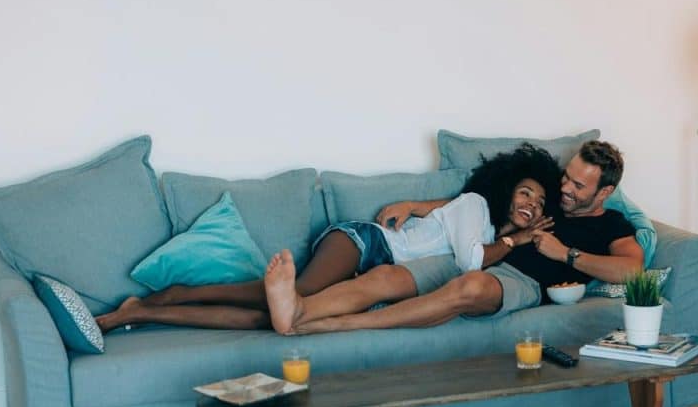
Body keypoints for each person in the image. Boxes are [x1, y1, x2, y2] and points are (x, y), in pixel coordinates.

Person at [95, 145, 562, 332]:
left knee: (273, 320)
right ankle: (172, 295)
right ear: (506, 191)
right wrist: (518, 241)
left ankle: (152, 310)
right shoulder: (477, 207)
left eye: (541, 203)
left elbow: (465, 246)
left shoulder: (477, 221)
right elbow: (470, 262)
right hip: (363, 243)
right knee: (295, 298)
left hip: (374, 266)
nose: (532, 205)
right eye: (526, 192)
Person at [265, 139, 644, 335]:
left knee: (471, 287)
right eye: (566, 176)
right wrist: (416, 204)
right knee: (386, 277)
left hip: (521, 281)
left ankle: (337, 325)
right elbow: (476, 204)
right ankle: (298, 312)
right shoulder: (552, 201)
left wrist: (567, 255)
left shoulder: (612, 224)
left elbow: (633, 271)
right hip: (475, 252)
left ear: (604, 192)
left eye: (578, 185)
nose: (564, 188)